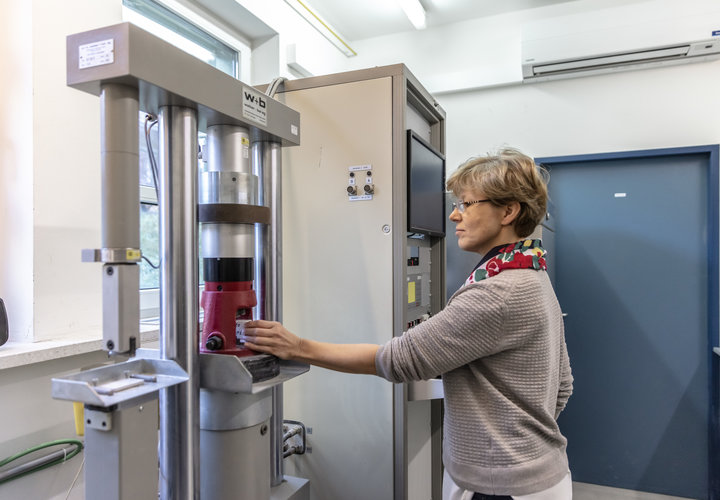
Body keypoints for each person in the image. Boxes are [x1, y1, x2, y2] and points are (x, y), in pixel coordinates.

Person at [243, 147, 573, 500]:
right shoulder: (531, 274)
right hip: (533, 472)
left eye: (465, 203)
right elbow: (563, 384)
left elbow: (396, 360)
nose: (453, 216)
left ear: (508, 211)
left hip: (502, 483)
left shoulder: (496, 292)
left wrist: (298, 347)